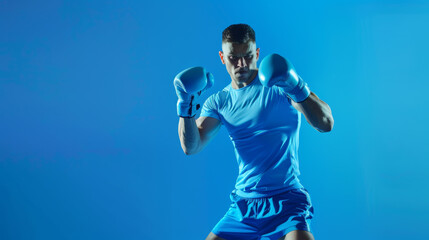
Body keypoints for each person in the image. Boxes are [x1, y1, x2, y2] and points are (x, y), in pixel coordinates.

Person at [174, 23, 334, 240]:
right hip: (243, 206)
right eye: (233, 58)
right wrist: (185, 108)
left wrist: (296, 86)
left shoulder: (279, 85)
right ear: (222, 57)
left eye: (248, 56)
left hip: (287, 201)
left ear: (257, 53)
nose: (241, 64)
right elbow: (191, 146)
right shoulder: (219, 101)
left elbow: (326, 123)